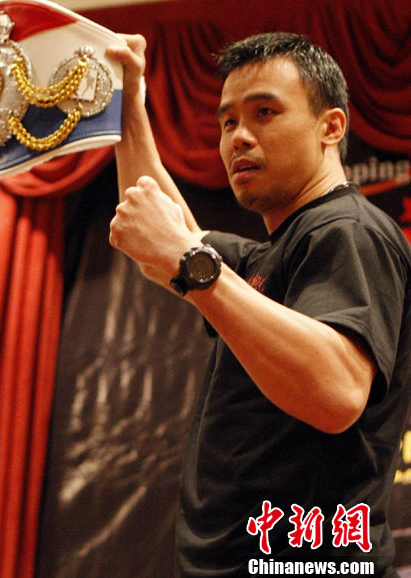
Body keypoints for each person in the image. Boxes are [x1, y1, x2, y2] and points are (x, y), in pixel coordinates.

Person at [107, 31, 411, 576]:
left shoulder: (348, 229)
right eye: (227, 122)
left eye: (264, 112)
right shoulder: (274, 253)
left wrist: (190, 263)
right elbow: (160, 236)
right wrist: (129, 103)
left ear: (331, 127)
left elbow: (338, 391)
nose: (239, 137)